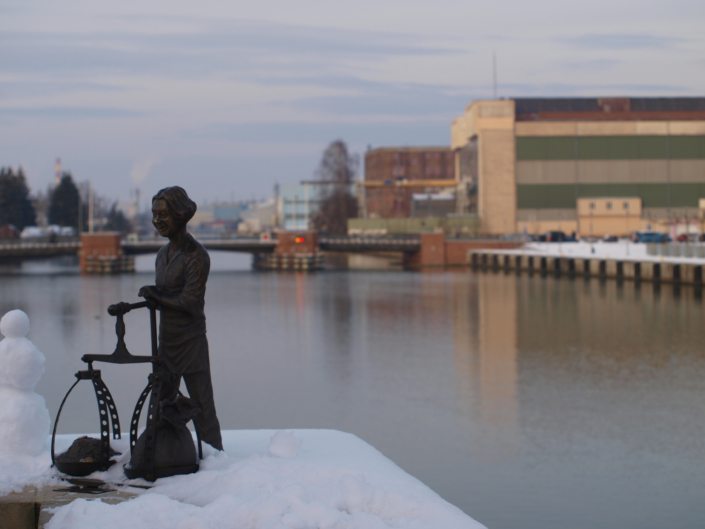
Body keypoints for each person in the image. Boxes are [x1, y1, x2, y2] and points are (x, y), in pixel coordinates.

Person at [138, 186, 223, 452]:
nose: (157, 220)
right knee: (160, 402)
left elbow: (189, 302)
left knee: (201, 406)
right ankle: (159, 452)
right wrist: (153, 299)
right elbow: (162, 295)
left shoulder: (196, 256)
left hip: (191, 343)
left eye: (164, 214)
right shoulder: (162, 256)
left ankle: (213, 456)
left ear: (181, 215)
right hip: (167, 341)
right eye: (154, 214)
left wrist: (157, 297)